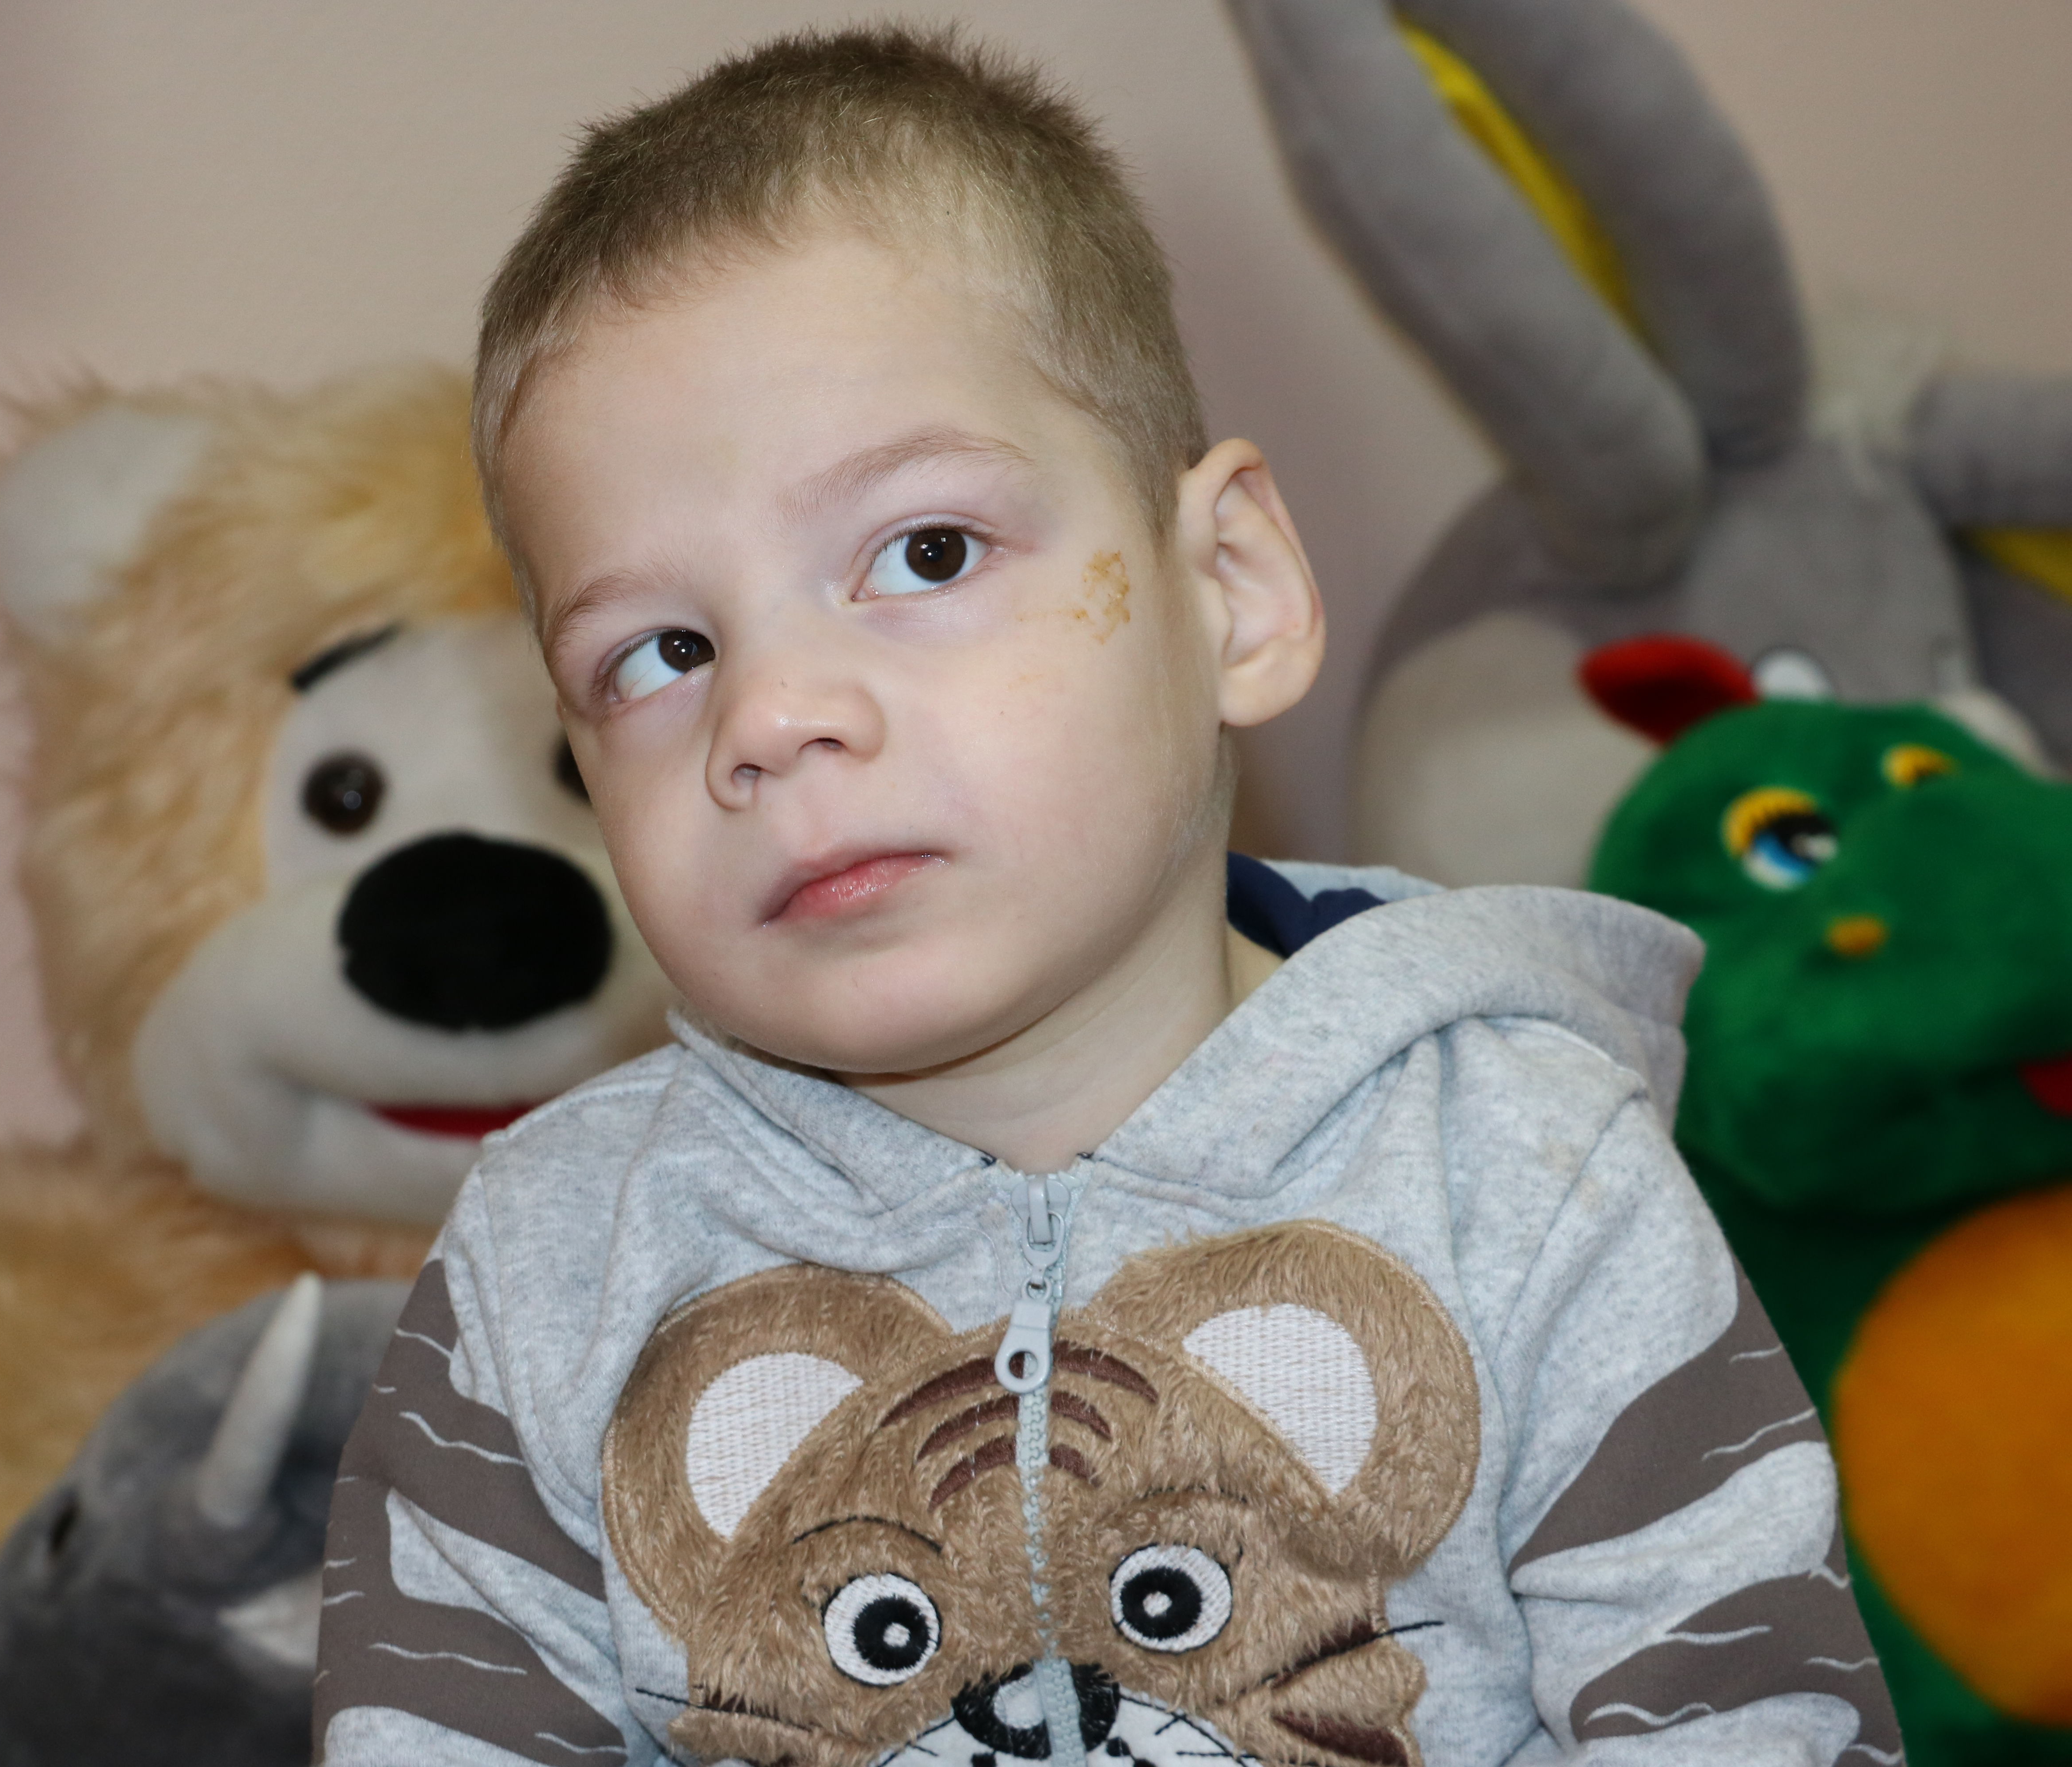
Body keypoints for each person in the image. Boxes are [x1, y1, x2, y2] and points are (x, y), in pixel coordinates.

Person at [311, 27, 1892, 1767]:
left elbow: (1755, 1722)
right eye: (661, 653)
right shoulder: (551, 1270)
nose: (769, 714)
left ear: (1230, 591)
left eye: (923, 553)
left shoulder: (1527, 1174)